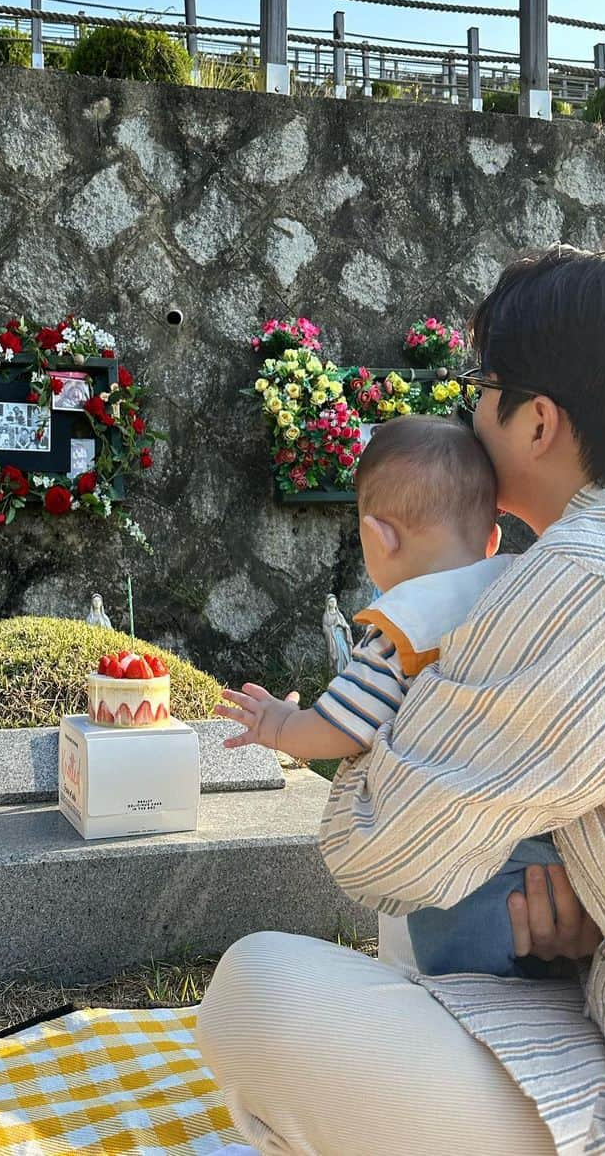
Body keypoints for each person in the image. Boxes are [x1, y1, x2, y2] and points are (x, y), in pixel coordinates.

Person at [197, 241, 605, 1155]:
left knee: (257, 991)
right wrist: (594, 915)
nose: (467, 405)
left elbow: (386, 858)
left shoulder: (590, 573)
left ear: (537, 421)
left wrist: (399, 653)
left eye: (481, 381)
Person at [218, 414, 563, 978]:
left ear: (378, 538)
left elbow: (342, 725)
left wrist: (280, 725)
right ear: (493, 538)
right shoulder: (521, 591)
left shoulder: (404, 630)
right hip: (538, 843)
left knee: (455, 979)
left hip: (452, 856)